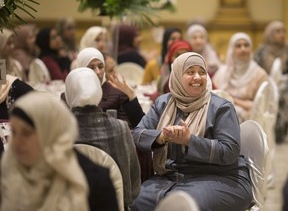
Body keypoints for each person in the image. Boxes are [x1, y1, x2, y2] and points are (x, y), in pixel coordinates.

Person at [131, 52, 253, 211]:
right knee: (138, 202)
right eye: (190, 72)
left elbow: (230, 151)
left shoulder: (221, 108)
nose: (198, 77)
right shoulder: (163, 103)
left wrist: (190, 141)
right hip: (172, 177)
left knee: (184, 206)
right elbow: (137, 134)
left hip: (221, 178)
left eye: (202, 72)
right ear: (176, 76)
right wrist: (161, 137)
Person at [1, 91, 119, 211]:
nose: (17, 142)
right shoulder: (9, 170)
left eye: (26, 133)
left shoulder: (94, 182)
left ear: (50, 134)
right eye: (14, 132)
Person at [64, 67, 141, 210]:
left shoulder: (58, 132)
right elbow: (134, 185)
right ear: (99, 93)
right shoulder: (120, 128)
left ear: (68, 94)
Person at [213, 32, 268, 123]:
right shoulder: (222, 72)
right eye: (238, 46)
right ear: (232, 50)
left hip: (251, 119)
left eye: (246, 45)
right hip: (223, 114)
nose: (243, 49)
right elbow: (213, 96)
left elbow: (261, 106)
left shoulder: (259, 74)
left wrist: (234, 101)